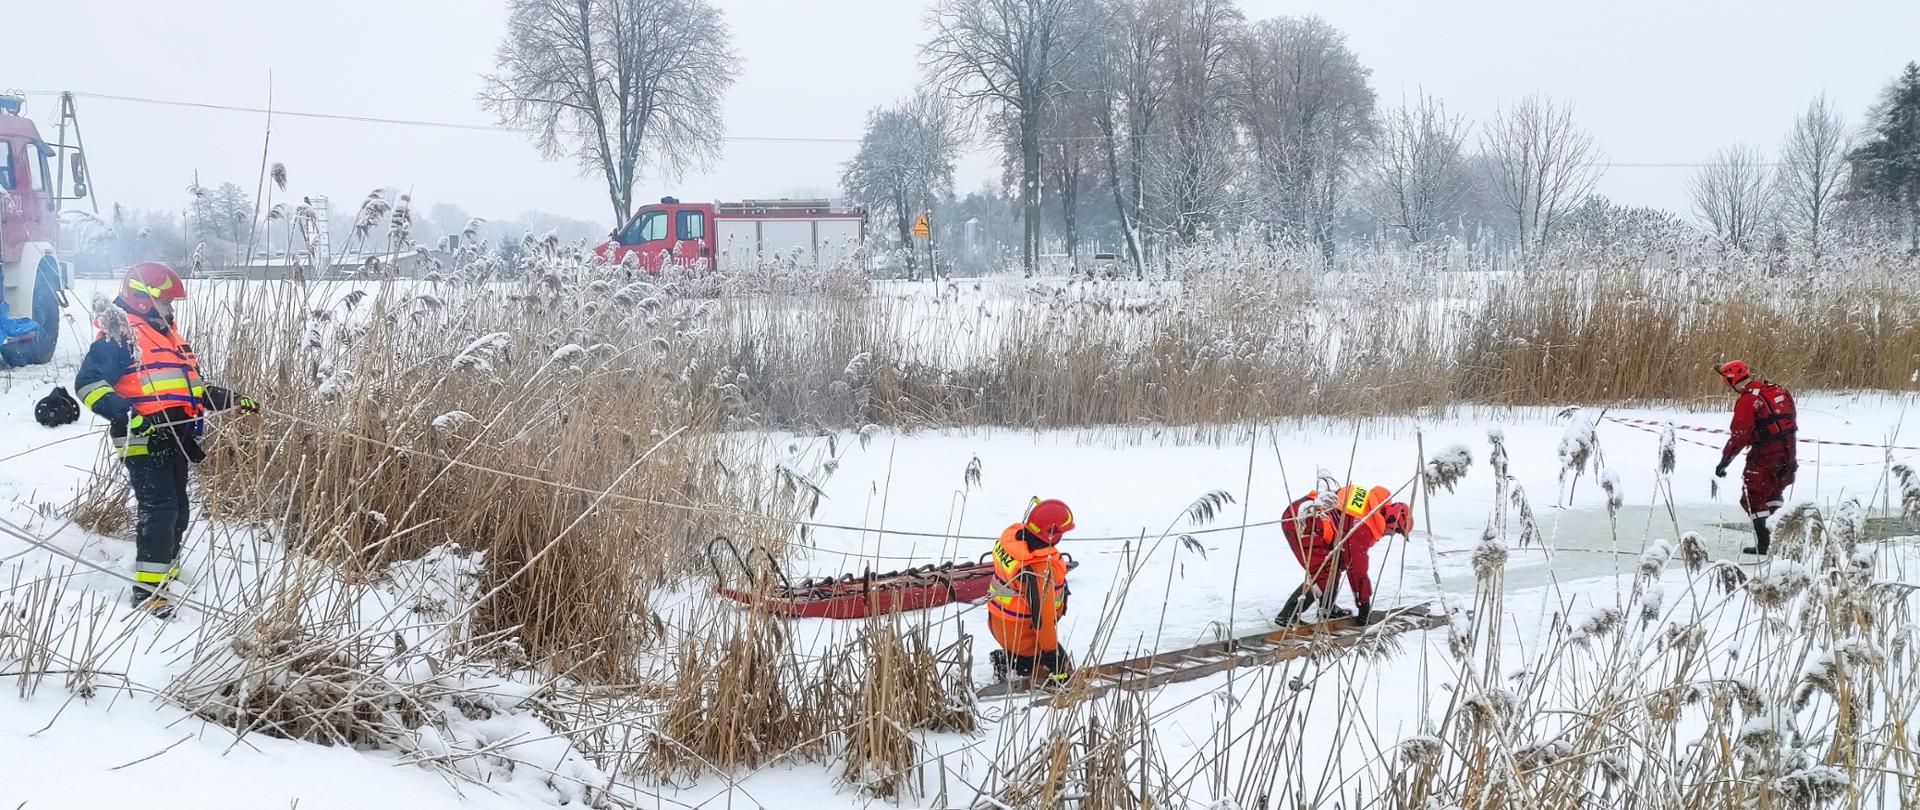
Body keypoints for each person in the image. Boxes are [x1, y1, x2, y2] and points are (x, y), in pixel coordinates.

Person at [74, 262, 258, 618]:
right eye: (167, 302)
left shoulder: (169, 337)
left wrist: (232, 399)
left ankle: (165, 572)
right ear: (142, 300)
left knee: (179, 509)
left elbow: (193, 391)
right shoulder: (121, 335)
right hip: (144, 438)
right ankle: (148, 594)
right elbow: (89, 384)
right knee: (160, 511)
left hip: (176, 438)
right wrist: (126, 414)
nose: (172, 309)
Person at [1273, 484, 1413, 627]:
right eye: (1395, 531)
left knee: (1336, 563)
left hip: (1308, 514)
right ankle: (1287, 615)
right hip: (1302, 521)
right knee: (1324, 575)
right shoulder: (1364, 526)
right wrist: (1364, 606)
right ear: (1390, 522)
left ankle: (1327, 609)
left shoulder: (1370, 506)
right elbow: (1357, 569)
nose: (1390, 535)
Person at [986, 498, 1075, 685]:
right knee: (1065, 669)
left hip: (999, 624)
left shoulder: (1011, 540)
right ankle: (1022, 662)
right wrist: (1053, 657)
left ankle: (1015, 657)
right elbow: (1043, 620)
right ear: (1051, 535)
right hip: (1021, 636)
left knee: (1031, 651)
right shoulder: (1040, 570)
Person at [1713, 360, 1797, 556]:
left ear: (1730, 380)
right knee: (1773, 494)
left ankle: (1764, 545)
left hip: (1766, 454)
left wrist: (1724, 461)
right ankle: (1778, 540)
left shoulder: (1748, 400)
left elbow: (1739, 435)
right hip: (1789, 453)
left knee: (1753, 496)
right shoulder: (1778, 390)